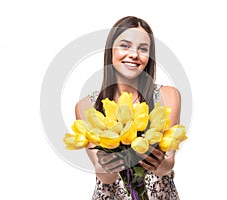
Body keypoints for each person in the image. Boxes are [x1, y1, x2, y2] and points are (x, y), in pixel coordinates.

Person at [75, 16, 181, 200]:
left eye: (143, 49)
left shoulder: (167, 96)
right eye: (125, 45)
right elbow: (104, 176)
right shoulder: (87, 107)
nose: (134, 54)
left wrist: (157, 160)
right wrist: (109, 162)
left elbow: (168, 165)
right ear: (111, 50)